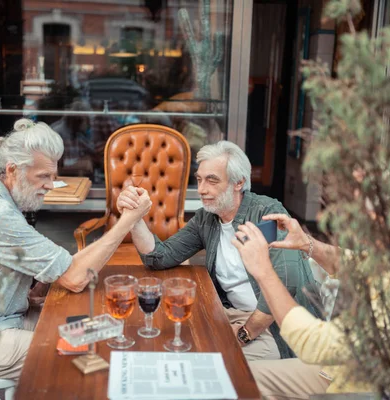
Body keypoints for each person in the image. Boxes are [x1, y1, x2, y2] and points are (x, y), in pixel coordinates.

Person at [0, 118, 152, 380]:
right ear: (12, 170)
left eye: (53, 176)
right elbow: (75, 278)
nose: (51, 185)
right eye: (43, 176)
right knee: (84, 351)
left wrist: (28, 287)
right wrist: (128, 221)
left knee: (93, 324)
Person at [116, 141, 322, 365]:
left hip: (277, 328)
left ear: (239, 182)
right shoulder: (208, 218)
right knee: (165, 338)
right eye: (199, 179)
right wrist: (133, 217)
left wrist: (244, 334)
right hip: (230, 313)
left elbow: (287, 284)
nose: (202, 189)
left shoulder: (267, 214)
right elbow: (159, 257)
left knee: (202, 361)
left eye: (212, 180)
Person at [232, 213, 371, 398]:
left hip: (358, 387)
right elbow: (355, 264)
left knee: (238, 381)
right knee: (238, 377)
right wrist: (306, 242)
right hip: (339, 368)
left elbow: (317, 345)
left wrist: (263, 270)